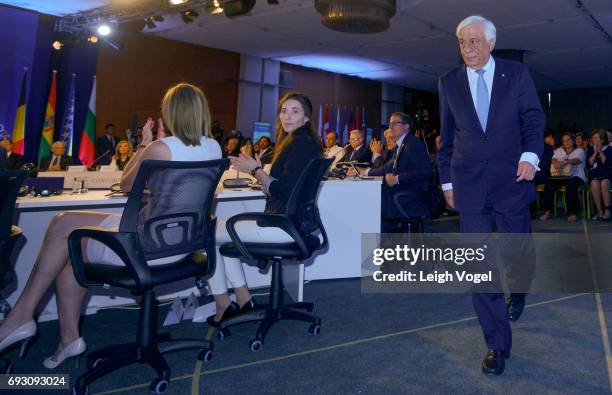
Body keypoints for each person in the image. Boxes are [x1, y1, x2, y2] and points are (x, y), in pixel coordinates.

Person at [0, 83, 222, 369]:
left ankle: (22, 317)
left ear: (170, 112)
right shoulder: (214, 147)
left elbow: (125, 183)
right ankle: (67, 338)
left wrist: (144, 143)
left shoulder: (160, 148)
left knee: (63, 226)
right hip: (182, 243)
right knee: (68, 242)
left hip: (147, 248)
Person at [437, 15, 544, 375]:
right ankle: (497, 344)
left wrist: (531, 156)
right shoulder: (448, 82)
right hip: (468, 185)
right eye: (463, 42)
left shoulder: (515, 74)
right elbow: (447, 137)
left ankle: (521, 286)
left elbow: (533, 119)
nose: (468, 48)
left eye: (475, 41)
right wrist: (447, 182)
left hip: (512, 179)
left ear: (491, 42)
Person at [206, 92, 322, 324]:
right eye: (284, 111)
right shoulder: (303, 142)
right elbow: (288, 189)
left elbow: (285, 191)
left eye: (295, 111)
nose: (287, 116)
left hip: (282, 225)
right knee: (220, 234)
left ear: (306, 118)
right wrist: (262, 175)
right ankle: (242, 298)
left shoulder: (300, 144)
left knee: (208, 231)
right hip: (291, 222)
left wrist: (256, 172)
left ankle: (224, 304)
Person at [359, 113, 432, 232]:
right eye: (390, 123)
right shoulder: (401, 145)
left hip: (414, 194)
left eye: (395, 123)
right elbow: (387, 167)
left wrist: (397, 179)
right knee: (374, 196)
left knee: (376, 199)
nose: (390, 127)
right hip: (403, 189)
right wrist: (366, 172)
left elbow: (426, 171)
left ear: (406, 126)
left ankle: (384, 242)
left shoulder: (413, 143)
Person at [540, 132, 586, 221]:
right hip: (561, 176)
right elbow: (554, 158)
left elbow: (576, 160)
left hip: (576, 176)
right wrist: (555, 162)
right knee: (549, 184)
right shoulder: (559, 150)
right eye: (564, 140)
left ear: (573, 141)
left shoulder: (579, 150)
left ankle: (572, 212)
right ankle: (547, 211)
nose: (566, 142)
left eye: (568, 140)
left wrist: (565, 162)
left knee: (571, 185)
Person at [586, 129, 611, 220]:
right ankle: (599, 210)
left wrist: (601, 151)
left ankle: (608, 210)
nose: (594, 140)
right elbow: (589, 164)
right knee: (594, 183)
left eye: (596, 138)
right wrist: (596, 152)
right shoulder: (590, 150)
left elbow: (606, 163)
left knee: (604, 183)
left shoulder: (609, 149)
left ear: (602, 139)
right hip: (595, 175)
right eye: (593, 138)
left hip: (607, 175)